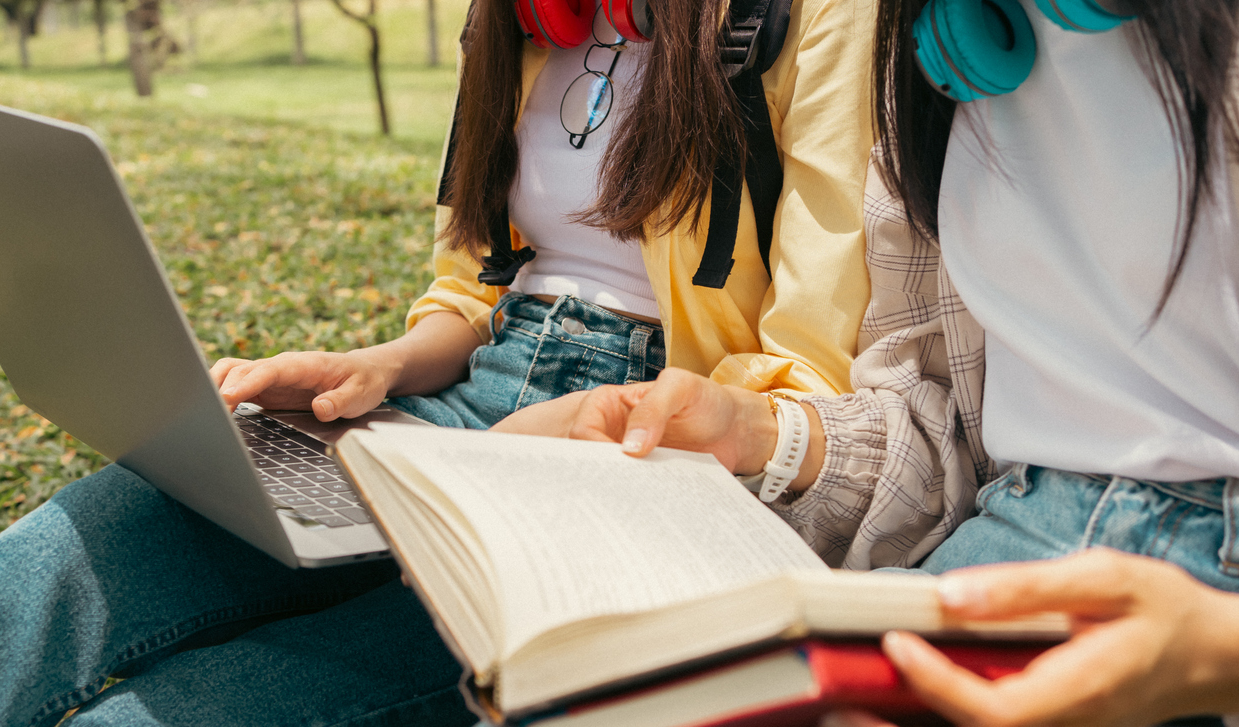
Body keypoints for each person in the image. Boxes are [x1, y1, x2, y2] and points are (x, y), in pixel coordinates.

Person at [0, 0, 898, 723]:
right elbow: (474, 281)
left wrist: (606, 428)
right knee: (52, 561)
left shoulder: (815, 16)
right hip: (453, 416)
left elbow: (806, 363)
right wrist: (377, 366)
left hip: (635, 461)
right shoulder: (522, 17)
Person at [500, 0, 1239, 721]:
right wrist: (756, 435)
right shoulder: (930, 51)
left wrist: (1215, 653)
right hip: (1013, 540)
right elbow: (939, 430)